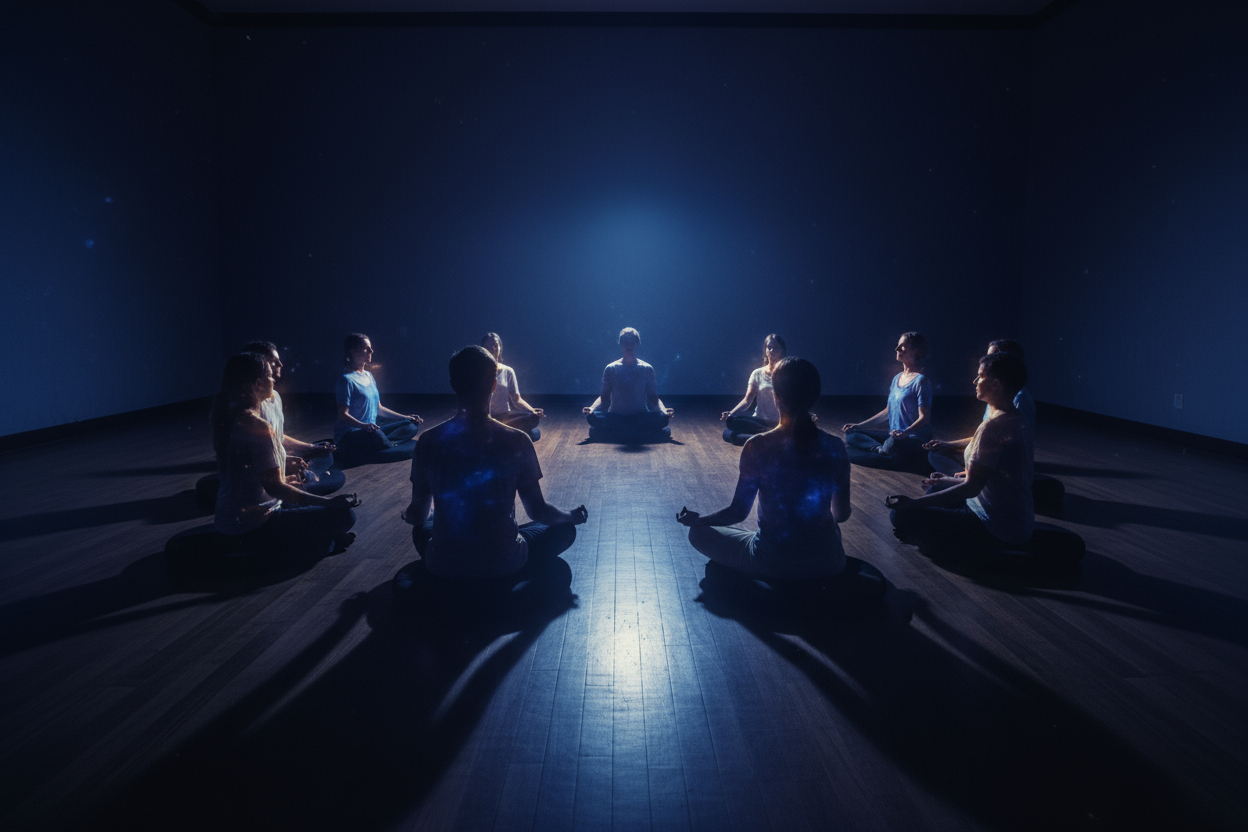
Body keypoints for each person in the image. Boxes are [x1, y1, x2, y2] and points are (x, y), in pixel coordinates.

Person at [403, 345, 588, 579]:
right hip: (503, 562)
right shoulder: (518, 441)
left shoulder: (427, 441)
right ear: (493, 385)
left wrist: (407, 515)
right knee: (564, 530)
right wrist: (570, 516)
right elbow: (538, 511)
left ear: (452, 383)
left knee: (424, 525)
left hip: (443, 563)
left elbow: (416, 516)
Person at [677, 357, 850, 580]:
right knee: (831, 529)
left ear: (777, 398)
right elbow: (842, 514)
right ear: (814, 397)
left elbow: (738, 512)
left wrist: (699, 521)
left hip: (772, 562)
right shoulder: (835, 446)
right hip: (828, 563)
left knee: (697, 534)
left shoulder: (757, 446)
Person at [212, 352, 359, 555]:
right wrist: (330, 502)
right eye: (270, 375)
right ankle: (315, 545)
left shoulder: (236, 419)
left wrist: (288, 479)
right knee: (345, 516)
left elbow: (257, 479)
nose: (274, 379)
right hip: (252, 524)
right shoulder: (258, 426)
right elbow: (275, 489)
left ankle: (320, 542)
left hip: (237, 517)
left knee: (320, 503)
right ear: (257, 384)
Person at [886, 351, 1033, 550]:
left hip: (993, 526)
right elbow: (987, 481)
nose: (975, 381)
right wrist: (945, 480)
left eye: (980, 376)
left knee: (900, 514)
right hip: (1013, 518)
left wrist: (913, 503)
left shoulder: (993, 428)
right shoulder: (1016, 418)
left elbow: (972, 488)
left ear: (997, 383)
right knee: (937, 487)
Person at [240, 340, 345, 496]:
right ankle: (298, 479)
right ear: (260, 365)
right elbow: (253, 452)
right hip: (265, 466)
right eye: (275, 362)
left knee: (326, 456)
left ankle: (301, 475)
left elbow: (276, 436)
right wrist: (285, 462)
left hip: (276, 458)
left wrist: (311, 448)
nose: (281, 365)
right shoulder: (249, 406)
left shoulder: (275, 396)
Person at [925, 339, 1035, 477]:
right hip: (990, 458)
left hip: (1000, 466)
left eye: (992, 357)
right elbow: (986, 437)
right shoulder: (997, 400)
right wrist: (949, 444)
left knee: (935, 468)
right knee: (936, 454)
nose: (986, 360)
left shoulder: (1018, 400)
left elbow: (1006, 443)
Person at [842, 332, 932, 469]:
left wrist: (905, 433)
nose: (896, 349)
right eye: (898, 346)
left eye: (902, 347)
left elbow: (924, 418)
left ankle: (884, 451)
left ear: (916, 351)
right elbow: (887, 412)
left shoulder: (921, 381)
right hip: (894, 436)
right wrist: (859, 425)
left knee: (891, 443)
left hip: (912, 440)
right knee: (852, 434)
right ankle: (881, 450)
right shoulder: (897, 378)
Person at [334, 333, 423, 465]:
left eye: (370, 348)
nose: (371, 351)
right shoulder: (346, 380)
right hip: (351, 435)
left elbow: (379, 408)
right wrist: (363, 426)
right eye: (366, 348)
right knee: (376, 435)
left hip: (371, 431)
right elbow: (343, 414)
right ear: (353, 351)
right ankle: (383, 444)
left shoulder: (369, 376)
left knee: (410, 426)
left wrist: (405, 417)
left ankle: (382, 444)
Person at [582, 327, 674, 440]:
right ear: (621, 343)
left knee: (662, 419)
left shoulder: (647, 369)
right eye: (626, 340)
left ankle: (617, 434)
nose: (629, 344)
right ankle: (639, 434)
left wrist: (664, 411)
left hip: (640, 417)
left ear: (637, 343)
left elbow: (653, 399)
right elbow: (604, 399)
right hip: (616, 417)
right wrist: (592, 409)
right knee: (592, 418)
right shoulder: (611, 369)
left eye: (632, 340)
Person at [720, 334, 786, 446]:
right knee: (728, 431)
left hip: (779, 422)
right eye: (769, 347)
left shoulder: (787, 374)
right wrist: (731, 413)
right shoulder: (757, 373)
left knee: (737, 436)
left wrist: (808, 415)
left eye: (775, 347)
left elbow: (794, 399)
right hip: (759, 421)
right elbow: (747, 400)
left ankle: (766, 436)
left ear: (782, 350)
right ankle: (769, 436)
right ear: (765, 350)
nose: (772, 350)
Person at [481, 332, 543, 441]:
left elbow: (517, 399)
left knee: (533, 418)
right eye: (488, 346)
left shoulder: (508, 371)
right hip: (485, 419)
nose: (492, 349)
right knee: (532, 434)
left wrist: (532, 411)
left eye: (495, 345)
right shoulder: (477, 371)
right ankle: (508, 436)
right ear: (483, 349)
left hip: (505, 418)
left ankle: (501, 435)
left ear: (500, 348)